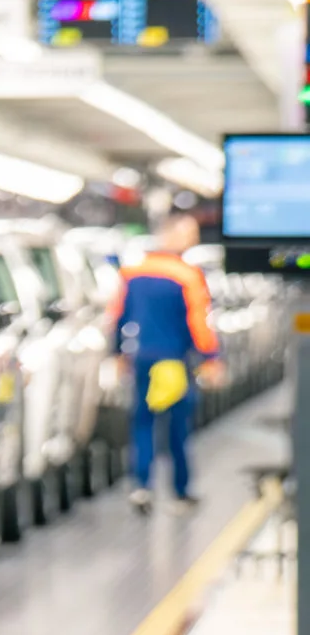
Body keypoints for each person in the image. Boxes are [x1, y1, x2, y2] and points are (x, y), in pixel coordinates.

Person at [110, 214, 221, 511]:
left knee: (143, 424)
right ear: (170, 235)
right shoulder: (187, 275)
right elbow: (200, 323)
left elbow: (118, 316)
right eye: (190, 233)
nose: (194, 239)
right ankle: (180, 491)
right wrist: (211, 360)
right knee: (176, 429)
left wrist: (117, 354)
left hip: (143, 360)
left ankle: (141, 487)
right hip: (173, 362)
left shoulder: (133, 271)